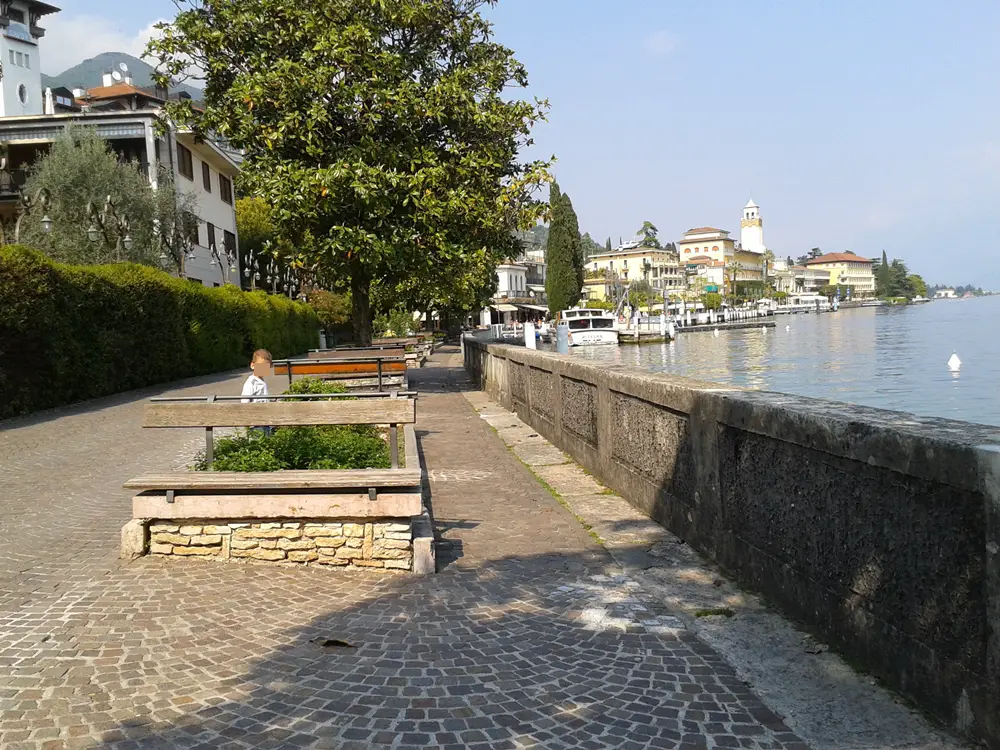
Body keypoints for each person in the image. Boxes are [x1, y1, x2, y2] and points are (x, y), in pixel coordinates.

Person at [241, 349, 273, 436]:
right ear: (253, 365)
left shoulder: (261, 381)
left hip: (264, 421)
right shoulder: (252, 382)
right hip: (255, 422)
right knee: (257, 443)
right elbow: (245, 401)